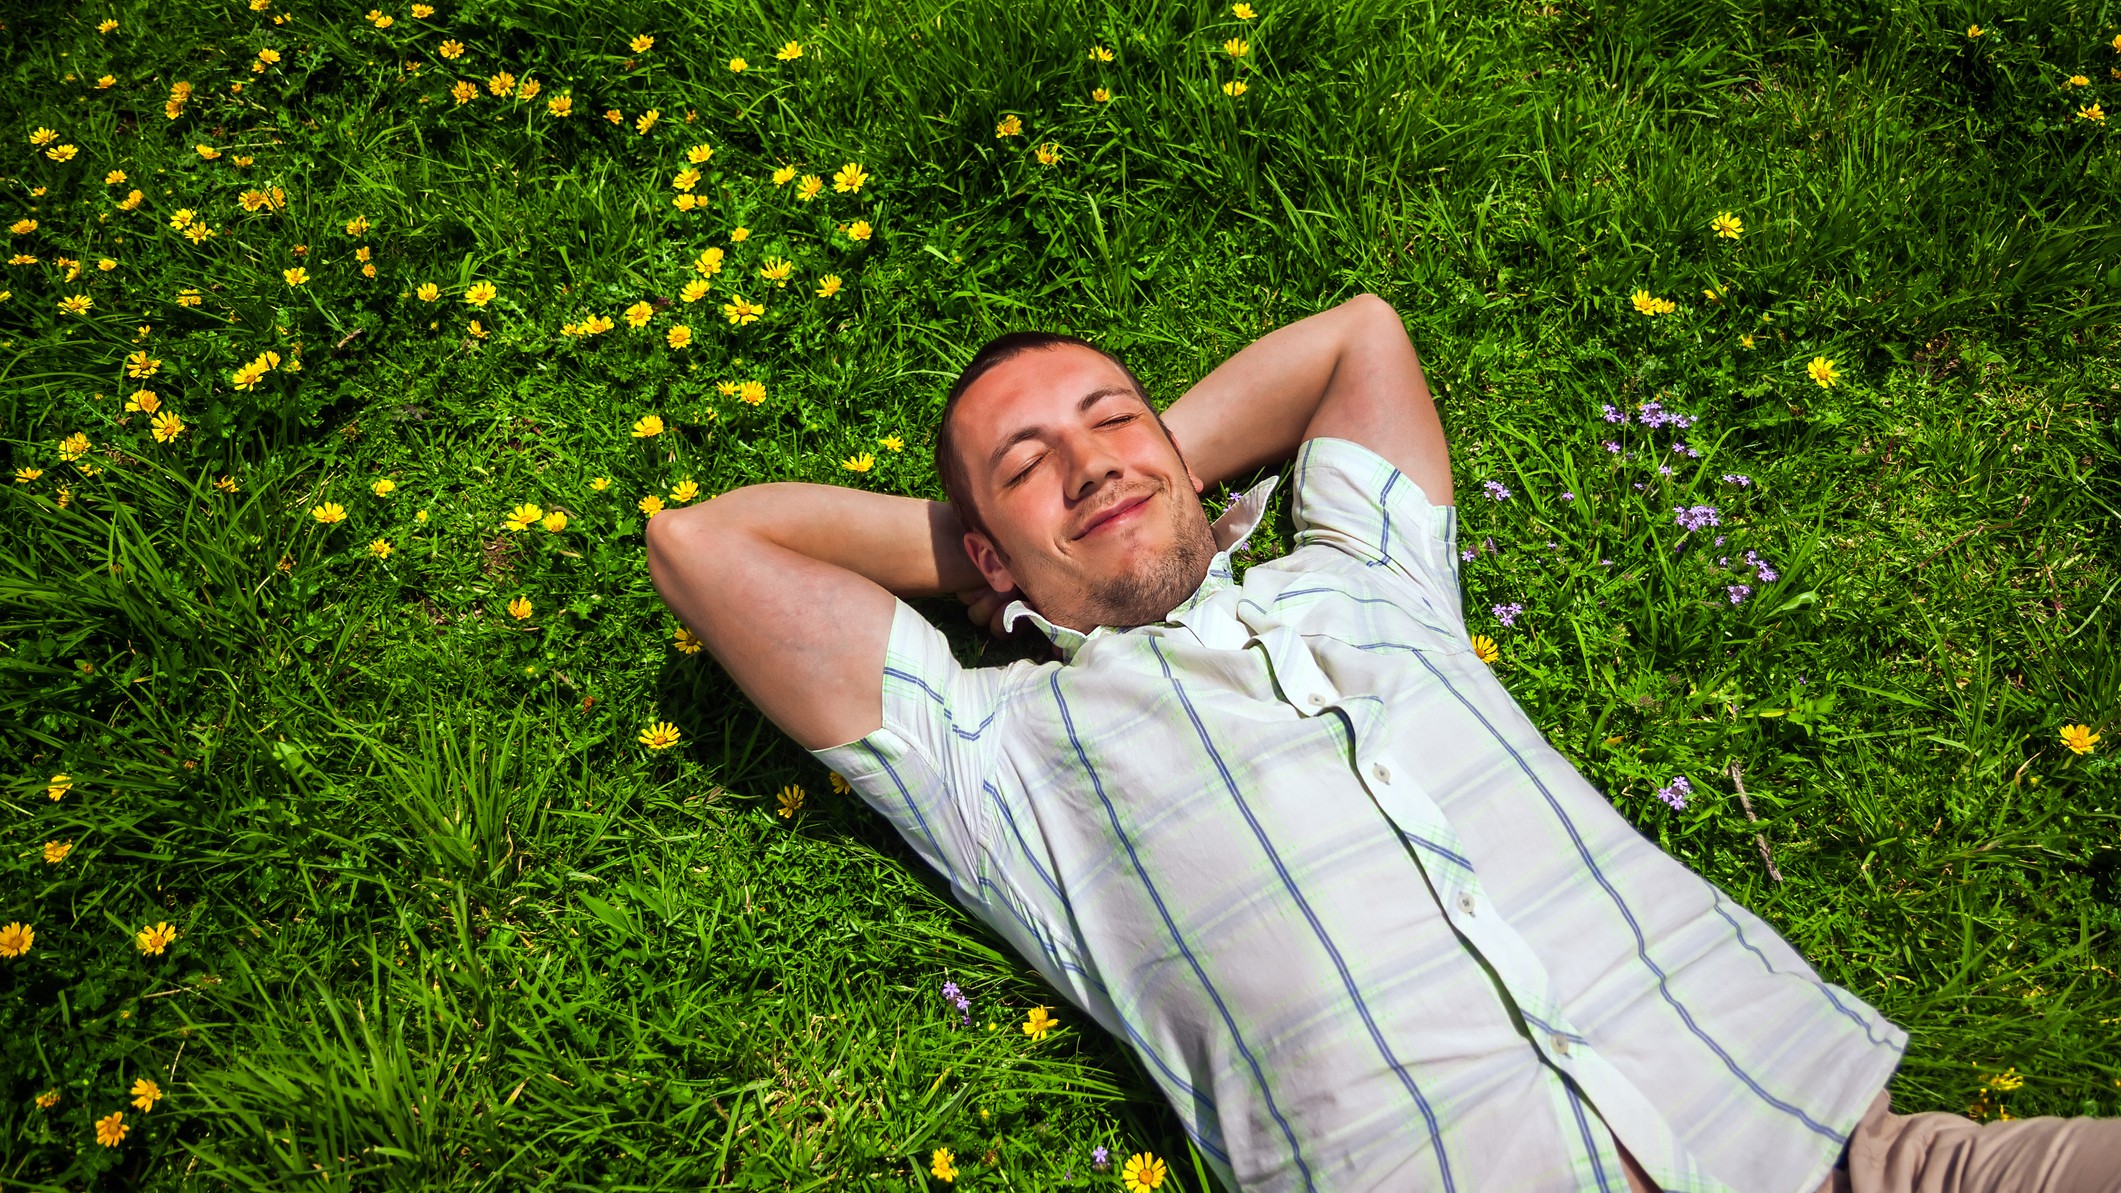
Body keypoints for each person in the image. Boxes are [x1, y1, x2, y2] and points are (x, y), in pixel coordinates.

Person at [645, 296, 2121, 1192]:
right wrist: (980, 558)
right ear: (986, 550)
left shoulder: (1360, 575)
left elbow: (1356, 335)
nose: (1088, 455)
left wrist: (1119, 468)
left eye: (1113, 420)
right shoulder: (1005, 755)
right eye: (1027, 464)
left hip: (1849, 1156)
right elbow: (703, 544)